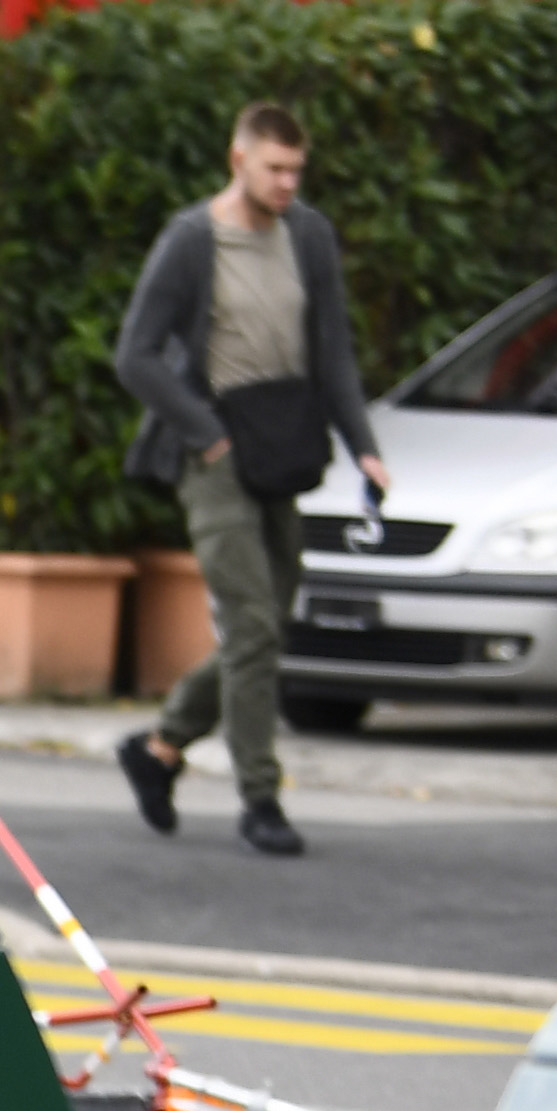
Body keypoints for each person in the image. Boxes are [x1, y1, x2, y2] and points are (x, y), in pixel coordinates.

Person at [110, 99, 388, 858]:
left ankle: (161, 747)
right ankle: (260, 799)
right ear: (239, 160)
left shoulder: (310, 235)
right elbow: (134, 354)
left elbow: (332, 350)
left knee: (265, 623)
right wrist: (207, 436)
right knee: (253, 623)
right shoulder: (192, 241)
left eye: (297, 169)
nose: (288, 183)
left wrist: (363, 445)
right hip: (215, 451)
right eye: (275, 168)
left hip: (282, 442)